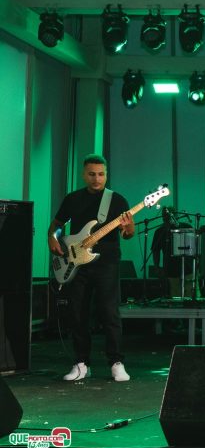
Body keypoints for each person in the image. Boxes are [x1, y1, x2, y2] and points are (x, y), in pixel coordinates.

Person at [48, 154, 135, 382]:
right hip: (77, 263)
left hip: (106, 263)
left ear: (106, 174)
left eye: (101, 174)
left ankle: (116, 362)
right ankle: (81, 363)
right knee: (77, 313)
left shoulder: (117, 201)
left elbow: (127, 235)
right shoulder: (72, 199)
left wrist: (129, 227)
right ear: (84, 174)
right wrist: (52, 238)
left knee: (109, 312)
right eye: (92, 174)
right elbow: (57, 225)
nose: (97, 179)